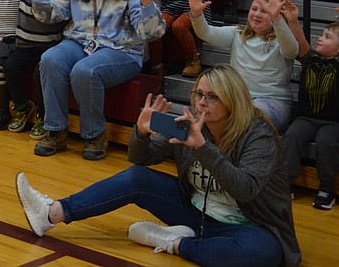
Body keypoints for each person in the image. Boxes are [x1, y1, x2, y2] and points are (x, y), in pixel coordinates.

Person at [15, 64, 300, 267]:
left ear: (232, 101)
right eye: (199, 95)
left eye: (212, 97)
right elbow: (140, 159)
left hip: (249, 226)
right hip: (196, 214)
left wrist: (203, 147)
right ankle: (53, 212)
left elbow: (246, 189)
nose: (202, 103)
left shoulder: (257, 134)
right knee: (137, 178)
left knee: (263, 254)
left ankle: (173, 242)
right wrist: (140, 133)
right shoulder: (186, 125)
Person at [30, 0, 166, 160]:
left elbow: (151, 32)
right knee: (50, 59)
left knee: (85, 71)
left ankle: (95, 134)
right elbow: (47, 15)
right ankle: (55, 130)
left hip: (121, 51)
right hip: (80, 42)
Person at [189, 0, 308, 132]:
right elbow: (205, 33)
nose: (257, 14)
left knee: (249, 119)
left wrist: (277, 20)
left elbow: (292, 51)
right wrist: (196, 15)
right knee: (205, 113)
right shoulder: (237, 33)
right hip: (238, 99)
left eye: (265, 11)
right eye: (254, 9)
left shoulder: (282, 39)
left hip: (273, 102)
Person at [283, 21, 339, 210]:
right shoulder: (310, 60)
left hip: (332, 122)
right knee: (291, 137)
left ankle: (326, 189)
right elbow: (300, 40)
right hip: (305, 118)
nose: (320, 38)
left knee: (326, 143)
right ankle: (287, 183)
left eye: (327, 36)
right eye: (322, 34)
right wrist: (292, 20)